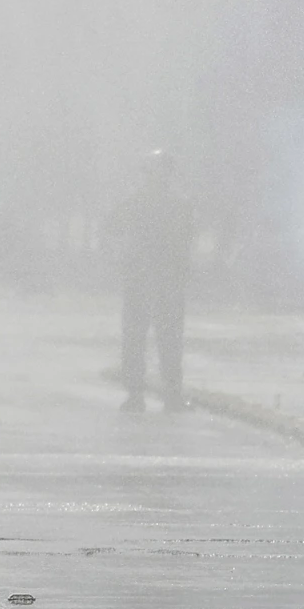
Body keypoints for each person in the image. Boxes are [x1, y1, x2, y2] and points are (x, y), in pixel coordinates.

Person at [109, 150, 194, 412]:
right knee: (149, 337)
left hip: (155, 278)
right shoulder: (172, 204)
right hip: (150, 278)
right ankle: (148, 393)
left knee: (159, 337)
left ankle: (157, 393)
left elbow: (184, 242)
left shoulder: (142, 202)